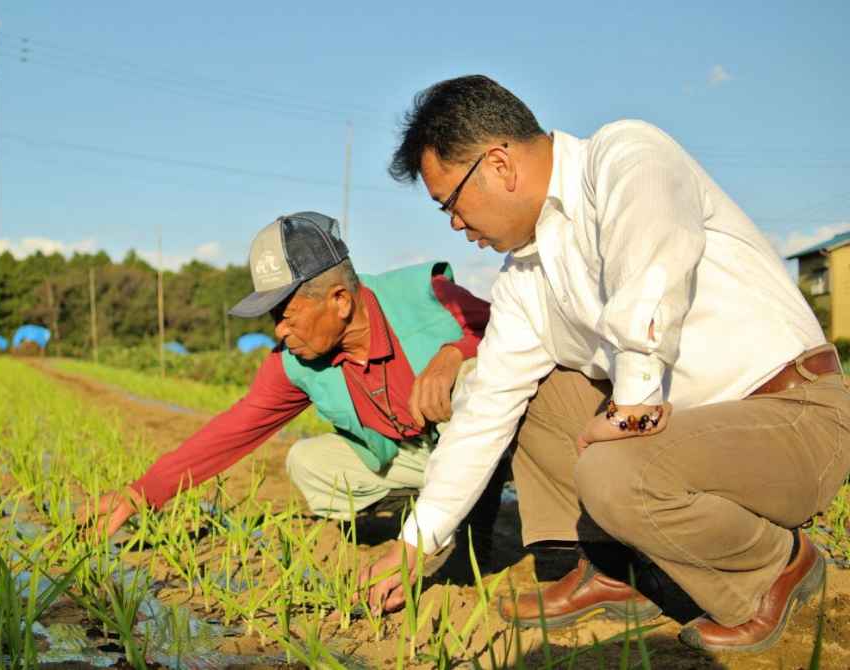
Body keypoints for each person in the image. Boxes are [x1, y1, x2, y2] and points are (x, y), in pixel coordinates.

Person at [360, 74, 849, 654]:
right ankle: (617, 572)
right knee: (529, 394)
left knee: (617, 472)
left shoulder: (625, 156)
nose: (455, 226)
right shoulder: (525, 276)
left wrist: (631, 411)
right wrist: (419, 541)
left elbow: (650, 273)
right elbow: (485, 408)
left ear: (498, 164)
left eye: (452, 204)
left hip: (793, 416)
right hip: (690, 436)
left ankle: (775, 570)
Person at [81, 211, 505, 569]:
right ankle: (418, 512)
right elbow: (234, 429)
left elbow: (520, 330)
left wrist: (454, 352)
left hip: (488, 443)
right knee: (308, 461)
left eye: (286, 313)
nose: (280, 330)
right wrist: (142, 492)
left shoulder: (426, 297)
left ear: (340, 300)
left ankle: (472, 526)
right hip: (417, 455)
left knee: (470, 373)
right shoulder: (295, 359)